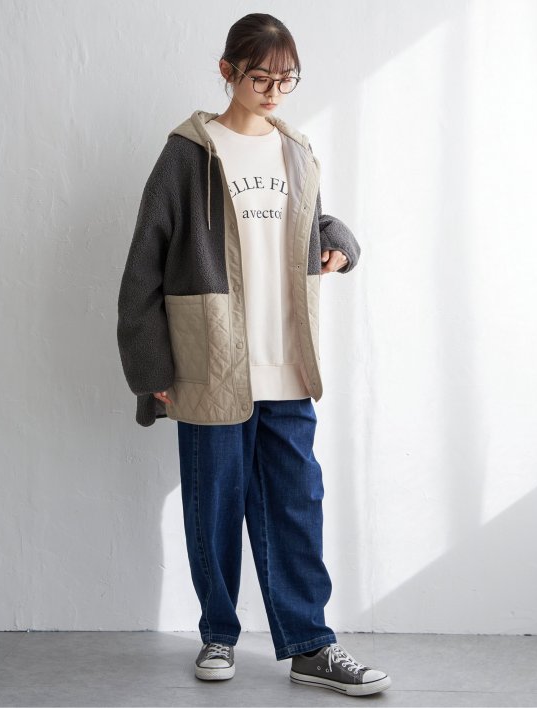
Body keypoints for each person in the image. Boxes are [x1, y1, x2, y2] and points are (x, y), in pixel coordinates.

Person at [117, 12, 391, 698]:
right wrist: (152, 370)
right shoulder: (188, 153)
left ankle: (311, 645)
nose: (273, 91)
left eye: (286, 79)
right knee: (213, 506)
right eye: (260, 77)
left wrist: (341, 241)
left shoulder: (296, 149)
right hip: (210, 360)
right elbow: (144, 263)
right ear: (227, 71)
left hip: (287, 360)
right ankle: (218, 632)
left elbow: (307, 223)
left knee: (297, 506)